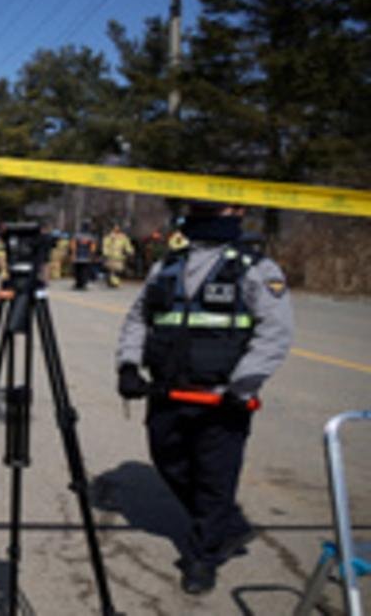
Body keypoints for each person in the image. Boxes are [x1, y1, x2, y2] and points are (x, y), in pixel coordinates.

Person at [114, 199, 293, 595]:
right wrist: (128, 365)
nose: (210, 212)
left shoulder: (256, 268)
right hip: (167, 392)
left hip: (221, 399)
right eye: (202, 204)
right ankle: (226, 525)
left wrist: (243, 386)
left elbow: (275, 332)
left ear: (239, 212)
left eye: (222, 206)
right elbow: (138, 319)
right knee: (169, 462)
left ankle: (203, 555)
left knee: (215, 479)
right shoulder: (167, 265)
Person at [102, 224, 135, 288]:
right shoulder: (109, 237)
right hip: (110, 256)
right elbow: (105, 245)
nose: (116, 229)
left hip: (119, 256)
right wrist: (105, 253)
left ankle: (113, 281)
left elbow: (127, 245)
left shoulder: (123, 237)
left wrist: (130, 251)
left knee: (118, 270)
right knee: (112, 270)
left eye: (118, 228)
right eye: (115, 228)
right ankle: (113, 282)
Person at [70, 225, 97, 291]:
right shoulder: (90, 237)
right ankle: (83, 284)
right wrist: (91, 255)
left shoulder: (76, 235)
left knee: (77, 271)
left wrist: (73, 254)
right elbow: (92, 248)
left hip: (77, 256)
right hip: (86, 256)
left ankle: (78, 284)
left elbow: (73, 246)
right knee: (85, 271)